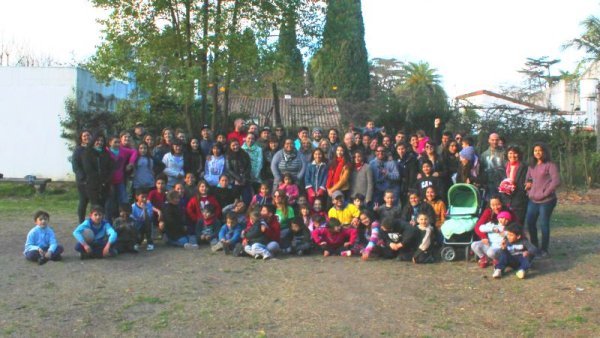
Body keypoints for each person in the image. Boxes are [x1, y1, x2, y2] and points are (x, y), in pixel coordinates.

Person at [525, 142, 560, 258]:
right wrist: (529, 189)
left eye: (540, 150)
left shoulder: (550, 165)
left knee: (544, 224)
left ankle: (544, 249)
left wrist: (545, 193)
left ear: (544, 152)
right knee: (530, 223)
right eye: (535, 151)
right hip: (533, 200)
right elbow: (528, 179)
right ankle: (534, 247)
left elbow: (555, 181)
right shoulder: (531, 165)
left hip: (547, 201)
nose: (537, 153)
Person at [105, 135, 137, 221]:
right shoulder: (106, 151)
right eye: (115, 142)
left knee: (123, 200)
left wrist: (131, 163)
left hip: (120, 181)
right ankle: (109, 221)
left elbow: (134, 152)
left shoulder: (123, 150)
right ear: (110, 142)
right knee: (110, 201)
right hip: (109, 181)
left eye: (119, 142)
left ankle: (123, 219)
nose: (117, 144)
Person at [82, 134, 113, 213]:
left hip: (105, 185)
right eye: (97, 140)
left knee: (103, 206)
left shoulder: (106, 153)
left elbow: (110, 168)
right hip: (93, 184)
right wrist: (99, 181)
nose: (100, 142)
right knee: (95, 207)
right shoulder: (87, 153)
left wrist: (105, 180)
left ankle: (101, 223)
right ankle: (93, 223)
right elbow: (88, 169)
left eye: (102, 141)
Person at [500, 145, 529, 224]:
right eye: (510, 153)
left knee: (518, 223)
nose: (512, 155)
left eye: (515, 153)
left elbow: (528, 180)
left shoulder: (524, 167)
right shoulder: (503, 166)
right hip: (505, 199)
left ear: (519, 154)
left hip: (519, 199)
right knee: (506, 223)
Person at [225, 139, 252, 205]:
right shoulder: (228, 156)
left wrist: (244, 177)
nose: (235, 147)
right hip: (234, 180)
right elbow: (229, 169)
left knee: (247, 199)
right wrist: (238, 178)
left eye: (237, 144)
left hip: (245, 179)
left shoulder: (245, 154)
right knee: (235, 201)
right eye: (233, 145)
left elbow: (249, 166)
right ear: (230, 146)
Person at [72, 130, 91, 223]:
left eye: (88, 135)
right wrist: (82, 178)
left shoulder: (94, 149)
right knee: (83, 202)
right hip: (83, 181)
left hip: (93, 181)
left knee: (94, 203)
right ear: (81, 138)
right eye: (84, 136)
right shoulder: (78, 150)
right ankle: (81, 222)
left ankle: (94, 222)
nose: (87, 137)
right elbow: (75, 166)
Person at [480, 133, 506, 198]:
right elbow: (481, 170)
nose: (494, 142)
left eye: (496, 140)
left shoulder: (505, 153)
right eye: (492, 140)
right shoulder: (484, 154)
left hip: (502, 184)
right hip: (489, 185)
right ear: (489, 140)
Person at [395, 142, 418, 207]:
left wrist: (410, 188)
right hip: (400, 186)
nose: (401, 151)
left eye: (402, 149)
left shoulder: (411, 159)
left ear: (405, 149)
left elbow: (412, 176)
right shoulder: (396, 160)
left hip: (409, 185)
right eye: (399, 149)